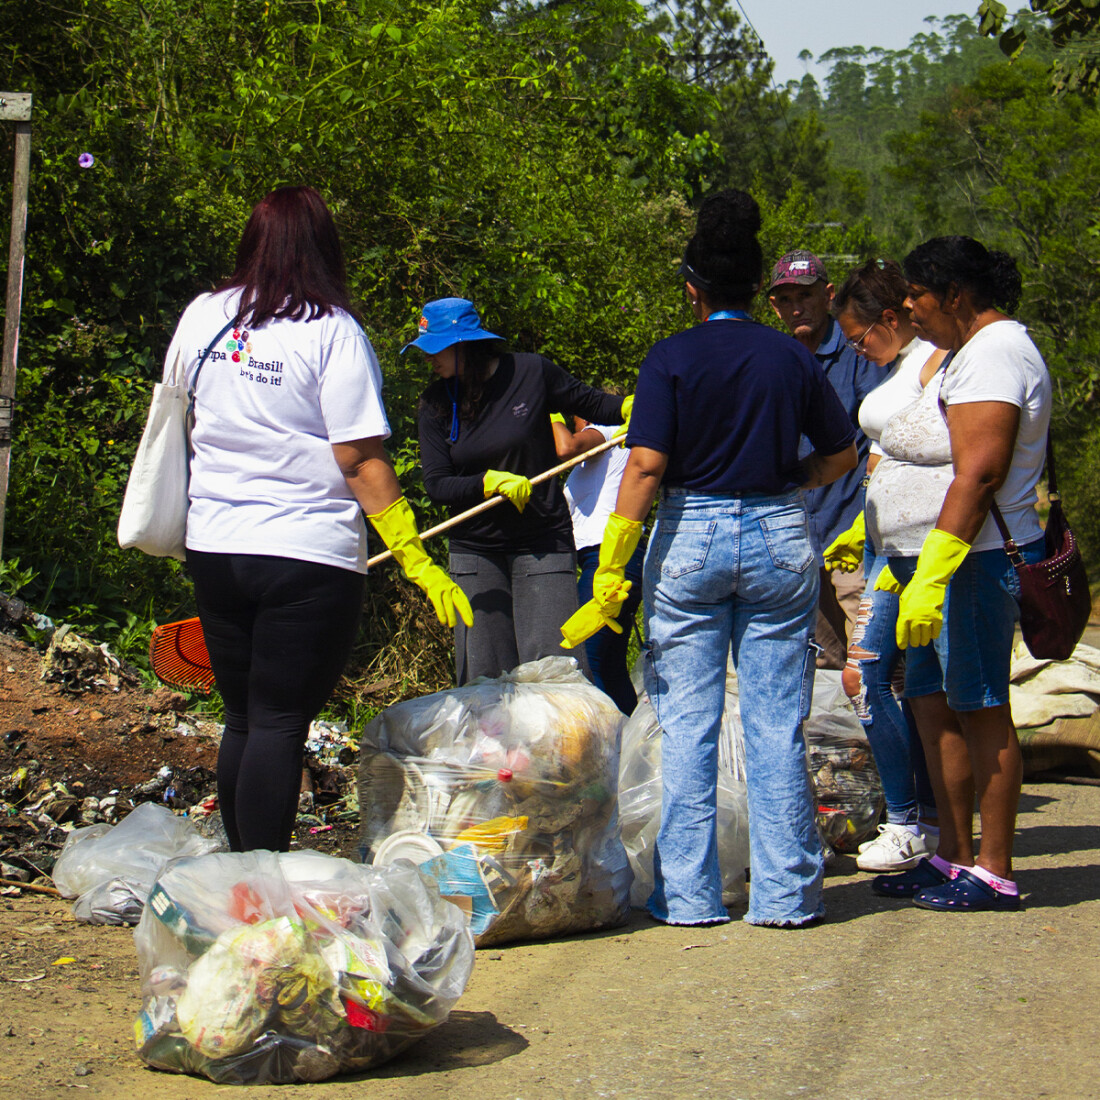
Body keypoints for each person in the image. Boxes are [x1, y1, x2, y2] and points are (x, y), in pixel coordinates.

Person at [562, 190, 858, 927]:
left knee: (688, 724)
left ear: (692, 289)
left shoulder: (670, 357)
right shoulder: (791, 356)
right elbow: (841, 455)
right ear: (758, 288)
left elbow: (645, 466)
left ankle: (690, 895)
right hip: (779, 535)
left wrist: (611, 568)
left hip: (690, 536)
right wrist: (791, 480)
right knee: (774, 722)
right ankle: (787, 895)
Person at [171, 186, 471, 853]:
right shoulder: (332, 329)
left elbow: (178, 409)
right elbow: (359, 459)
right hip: (305, 551)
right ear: (324, 248)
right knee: (280, 720)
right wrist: (414, 556)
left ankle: (241, 880)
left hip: (215, 541)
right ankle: (263, 879)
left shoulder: (203, 316)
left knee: (242, 717)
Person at [869, 236, 1051, 912]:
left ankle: (995, 870)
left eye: (917, 294)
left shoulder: (995, 352)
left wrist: (936, 570)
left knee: (980, 706)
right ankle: (953, 855)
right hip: (940, 561)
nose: (910, 309)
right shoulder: (972, 351)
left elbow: (979, 473)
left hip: (974, 560)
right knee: (931, 701)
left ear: (955, 294)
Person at [413, 298, 628, 684]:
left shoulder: (531, 372)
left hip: (541, 540)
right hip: (475, 549)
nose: (427, 357)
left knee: (556, 674)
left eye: (436, 348)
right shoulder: (434, 404)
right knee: (483, 680)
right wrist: (485, 482)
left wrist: (635, 406)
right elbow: (437, 485)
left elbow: (593, 403)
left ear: (465, 344)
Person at [824, 259, 947, 873]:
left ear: (890, 319)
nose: (857, 349)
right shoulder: (897, 368)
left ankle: (925, 824)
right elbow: (882, 456)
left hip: (927, 552)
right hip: (882, 548)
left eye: (859, 336)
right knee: (863, 678)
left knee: (920, 688)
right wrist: (860, 528)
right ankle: (906, 820)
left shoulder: (936, 362)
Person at [768, 252, 891, 669]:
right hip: (796, 543)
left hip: (853, 539)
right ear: (774, 306)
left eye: (806, 295)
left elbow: (884, 433)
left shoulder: (858, 351)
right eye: (786, 299)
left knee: (872, 662)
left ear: (828, 295)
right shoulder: (777, 359)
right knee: (820, 664)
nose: (796, 308)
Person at [551, 402, 645, 715]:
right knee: (608, 664)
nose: (575, 424)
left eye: (575, 417)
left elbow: (565, 447)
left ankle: (607, 735)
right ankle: (630, 735)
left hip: (609, 558)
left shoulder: (605, 431)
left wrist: (550, 413)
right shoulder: (600, 456)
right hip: (607, 556)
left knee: (589, 660)